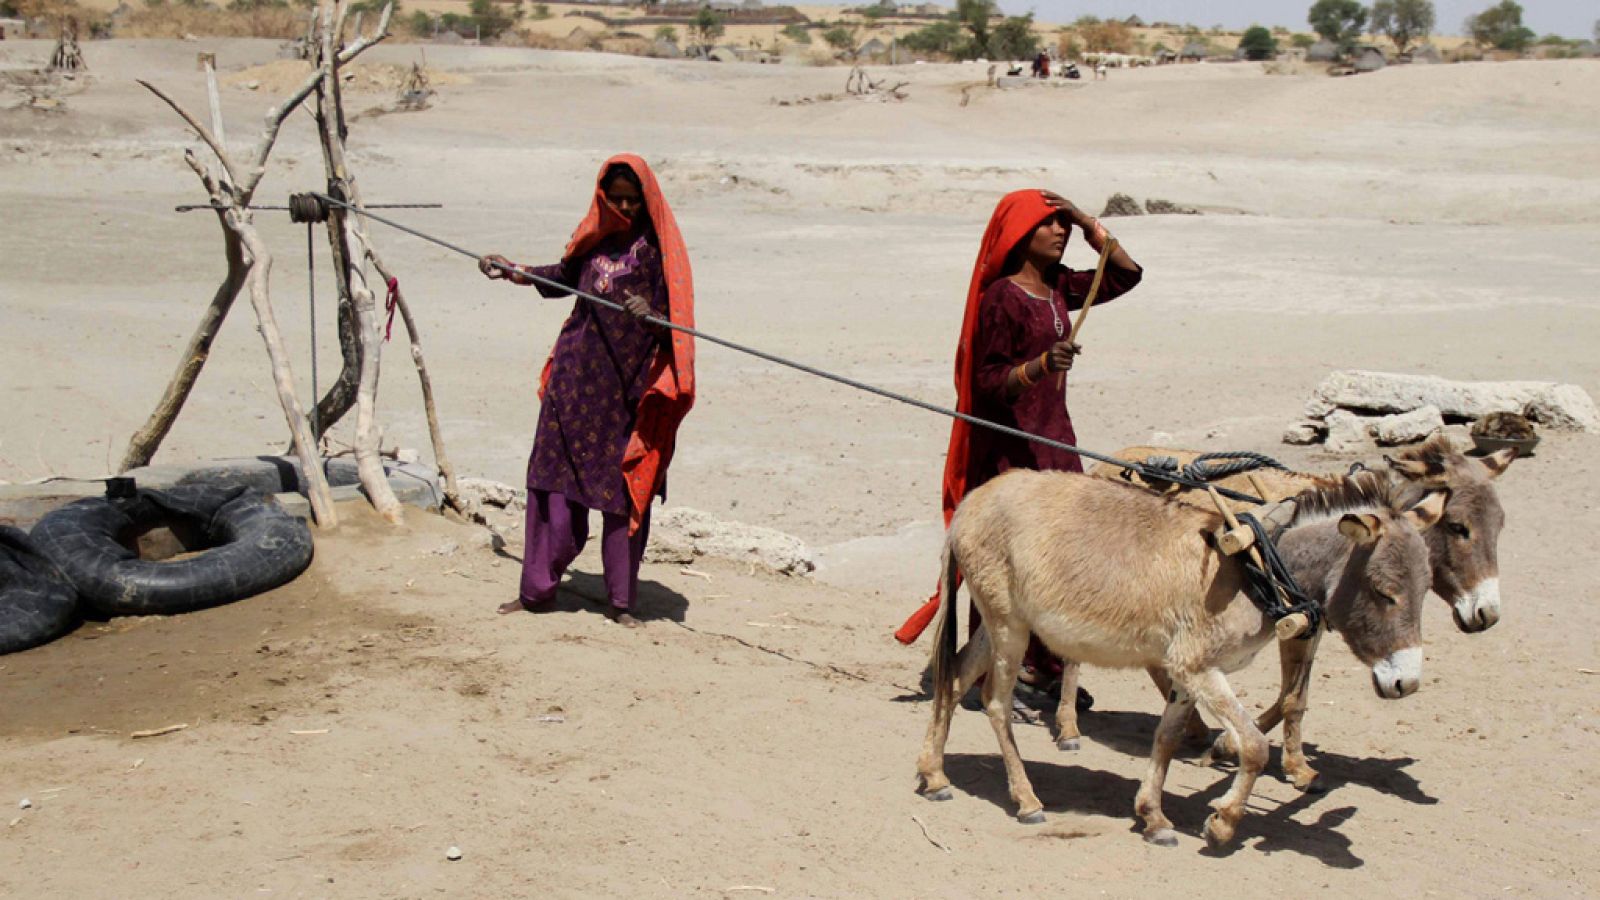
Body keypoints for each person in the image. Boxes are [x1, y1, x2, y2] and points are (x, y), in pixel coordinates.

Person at [928, 188, 1143, 698]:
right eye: (1049, 225)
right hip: (1014, 449)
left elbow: (1125, 274)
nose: (1059, 233)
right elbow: (987, 381)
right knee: (1018, 559)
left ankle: (1047, 665)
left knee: (1062, 557)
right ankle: (999, 668)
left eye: (1061, 226)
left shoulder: (1057, 287)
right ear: (1020, 236)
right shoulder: (1003, 296)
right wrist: (1041, 367)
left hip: (1056, 442)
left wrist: (1086, 219)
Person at [478, 156, 696, 628]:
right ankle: (536, 592)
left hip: (625, 394)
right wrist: (512, 269)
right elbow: (562, 278)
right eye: (614, 196)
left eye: (631, 198)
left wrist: (652, 313)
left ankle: (621, 602)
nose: (622, 205)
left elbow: (676, 325)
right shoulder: (593, 238)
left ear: (645, 200)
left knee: (620, 494)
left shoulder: (660, 253)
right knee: (550, 483)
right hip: (573, 386)